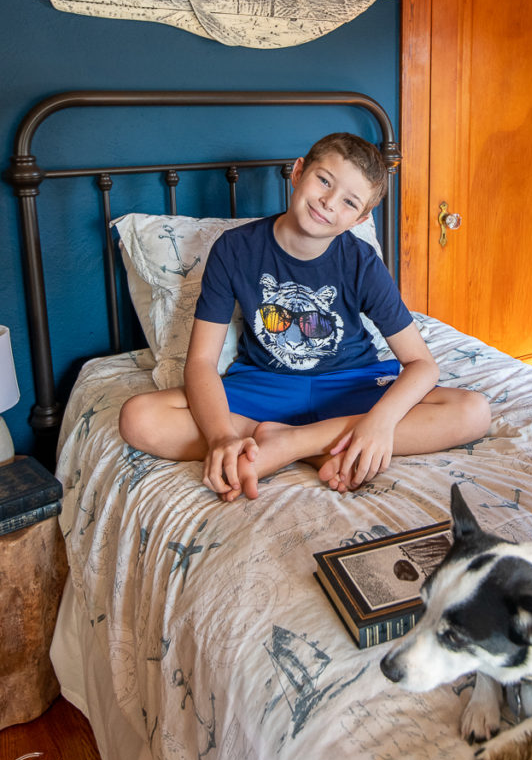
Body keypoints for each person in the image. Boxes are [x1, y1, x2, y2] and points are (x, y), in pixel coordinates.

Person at [119, 133, 491, 502]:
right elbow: (200, 361)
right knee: (139, 417)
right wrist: (222, 437)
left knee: (473, 411)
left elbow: (422, 364)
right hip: (263, 387)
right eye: (324, 180)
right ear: (298, 172)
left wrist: (380, 423)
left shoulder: (361, 262)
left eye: (349, 201)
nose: (328, 202)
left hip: (350, 386)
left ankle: (292, 443)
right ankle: (317, 450)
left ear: (360, 218)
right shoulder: (235, 249)